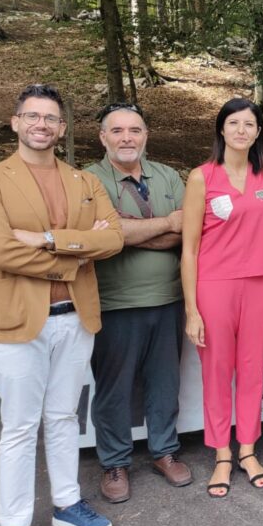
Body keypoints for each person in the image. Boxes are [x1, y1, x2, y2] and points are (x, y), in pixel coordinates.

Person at [0, 84, 123, 526]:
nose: (41, 125)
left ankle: (67, 503)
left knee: (63, 418)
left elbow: (112, 238)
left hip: (76, 319)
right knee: (18, 427)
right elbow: (0, 252)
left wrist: (49, 239)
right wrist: (77, 251)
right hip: (16, 322)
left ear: (62, 128)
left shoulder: (85, 181)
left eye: (50, 118)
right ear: (15, 122)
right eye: (32, 116)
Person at [85, 103, 192, 503]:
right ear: (103, 137)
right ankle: (115, 462)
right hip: (115, 302)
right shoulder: (88, 180)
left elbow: (189, 231)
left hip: (168, 299)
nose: (126, 138)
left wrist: (126, 231)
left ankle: (164, 451)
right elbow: (106, 238)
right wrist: (165, 223)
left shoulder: (166, 176)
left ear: (146, 135)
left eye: (134, 130)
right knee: (114, 388)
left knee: (165, 382)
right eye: (117, 131)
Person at [180, 98, 263, 497]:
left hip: (260, 283)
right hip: (214, 285)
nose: (242, 130)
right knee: (218, 370)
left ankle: (248, 450)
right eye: (234, 123)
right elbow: (188, 249)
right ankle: (222, 453)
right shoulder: (201, 177)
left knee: (254, 369)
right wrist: (192, 309)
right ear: (221, 130)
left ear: (258, 132)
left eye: (249, 124)